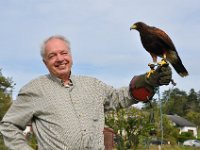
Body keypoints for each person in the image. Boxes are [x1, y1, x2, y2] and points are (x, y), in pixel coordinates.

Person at [0, 35, 172, 150]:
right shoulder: (34, 90)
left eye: (63, 53)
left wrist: (148, 81)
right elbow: (9, 125)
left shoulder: (93, 85)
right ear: (45, 63)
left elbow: (120, 97)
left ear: (71, 56)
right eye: (52, 55)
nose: (60, 59)